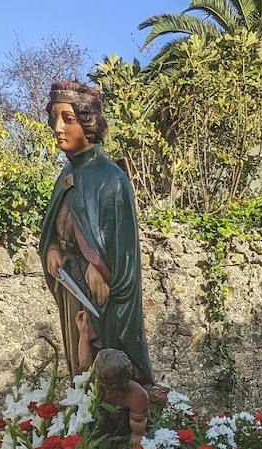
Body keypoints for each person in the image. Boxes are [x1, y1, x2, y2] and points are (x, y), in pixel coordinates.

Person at [39, 80, 152, 382]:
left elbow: (123, 247)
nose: (57, 128)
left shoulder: (110, 177)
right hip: (71, 282)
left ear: (88, 123)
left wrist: (99, 266)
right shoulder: (67, 173)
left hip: (100, 290)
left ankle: (111, 416)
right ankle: (82, 411)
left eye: (68, 119)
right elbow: (58, 220)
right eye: (55, 119)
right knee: (77, 356)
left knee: (104, 360)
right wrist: (51, 247)